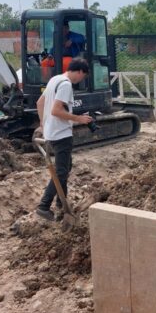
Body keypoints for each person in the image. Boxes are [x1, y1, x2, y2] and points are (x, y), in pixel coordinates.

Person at [34, 58, 93, 221]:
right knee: (61, 172)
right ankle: (44, 206)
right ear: (80, 71)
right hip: (61, 134)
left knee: (66, 166)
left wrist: (42, 123)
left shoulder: (55, 79)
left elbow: (40, 103)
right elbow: (56, 110)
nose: (82, 80)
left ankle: (62, 201)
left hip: (52, 132)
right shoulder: (66, 84)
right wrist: (78, 119)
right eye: (83, 76)